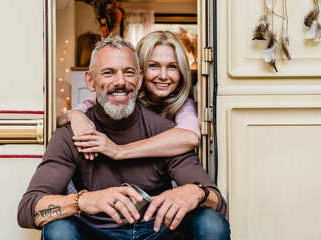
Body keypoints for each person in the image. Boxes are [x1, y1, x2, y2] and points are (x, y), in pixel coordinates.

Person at [18, 37, 230, 239]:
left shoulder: (165, 131)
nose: (120, 82)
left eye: (128, 73)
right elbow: (28, 209)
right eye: (108, 73)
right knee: (58, 228)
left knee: (211, 222)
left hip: (157, 231)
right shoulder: (72, 134)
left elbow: (217, 202)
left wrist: (197, 192)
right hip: (95, 232)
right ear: (90, 81)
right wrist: (83, 200)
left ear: (138, 80)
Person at [56, 31, 200, 161]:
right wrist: (74, 115)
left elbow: (190, 137)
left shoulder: (183, 103)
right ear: (139, 71)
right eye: (154, 66)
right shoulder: (121, 94)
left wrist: (119, 151)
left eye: (172, 67)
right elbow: (57, 119)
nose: (163, 76)